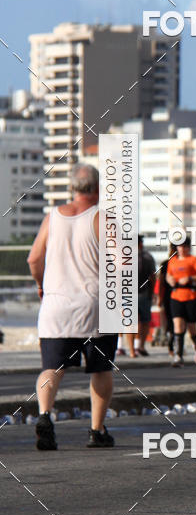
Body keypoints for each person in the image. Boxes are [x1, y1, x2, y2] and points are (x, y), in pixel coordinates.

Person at [27, 163, 118, 450]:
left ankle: (43, 415)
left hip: (55, 306)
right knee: (100, 370)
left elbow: (33, 259)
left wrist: (42, 285)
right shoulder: (103, 219)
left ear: (72, 188)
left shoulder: (51, 217)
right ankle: (96, 430)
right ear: (99, 188)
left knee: (51, 369)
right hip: (96, 306)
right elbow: (123, 262)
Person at [166, 236, 196, 366]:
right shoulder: (172, 261)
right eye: (179, 246)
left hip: (192, 297)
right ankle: (178, 356)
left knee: (191, 327)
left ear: (189, 248)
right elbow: (168, 275)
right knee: (178, 325)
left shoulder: (193, 260)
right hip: (176, 296)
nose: (182, 249)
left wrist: (189, 277)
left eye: (184, 247)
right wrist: (169, 280)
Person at [124, 235, 156, 357]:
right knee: (145, 321)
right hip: (143, 293)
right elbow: (153, 276)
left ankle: (133, 350)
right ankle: (140, 346)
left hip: (129, 294)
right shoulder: (147, 257)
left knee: (131, 323)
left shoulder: (124, 256)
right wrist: (152, 293)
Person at [156, 256, 175, 357]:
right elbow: (161, 282)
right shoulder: (165, 263)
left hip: (181, 296)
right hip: (168, 296)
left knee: (177, 322)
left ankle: (175, 344)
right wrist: (159, 298)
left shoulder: (184, 261)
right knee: (170, 322)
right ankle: (171, 345)